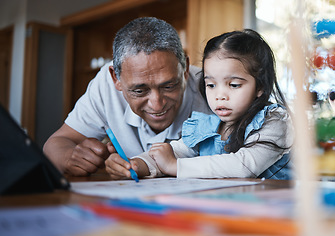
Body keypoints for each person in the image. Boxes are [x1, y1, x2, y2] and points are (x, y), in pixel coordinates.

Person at [106, 29, 294, 180]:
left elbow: (243, 166)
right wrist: (137, 165)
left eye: (234, 85)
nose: (219, 95)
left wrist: (174, 166)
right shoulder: (207, 126)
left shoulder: (274, 122)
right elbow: (175, 152)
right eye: (211, 85)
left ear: (260, 86)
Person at [43, 17, 211, 176]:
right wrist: (70, 157)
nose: (157, 105)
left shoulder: (213, 88)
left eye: (168, 86)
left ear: (185, 69)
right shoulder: (105, 86)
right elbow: (56, 143)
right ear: (116, 78)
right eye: (139, 91)